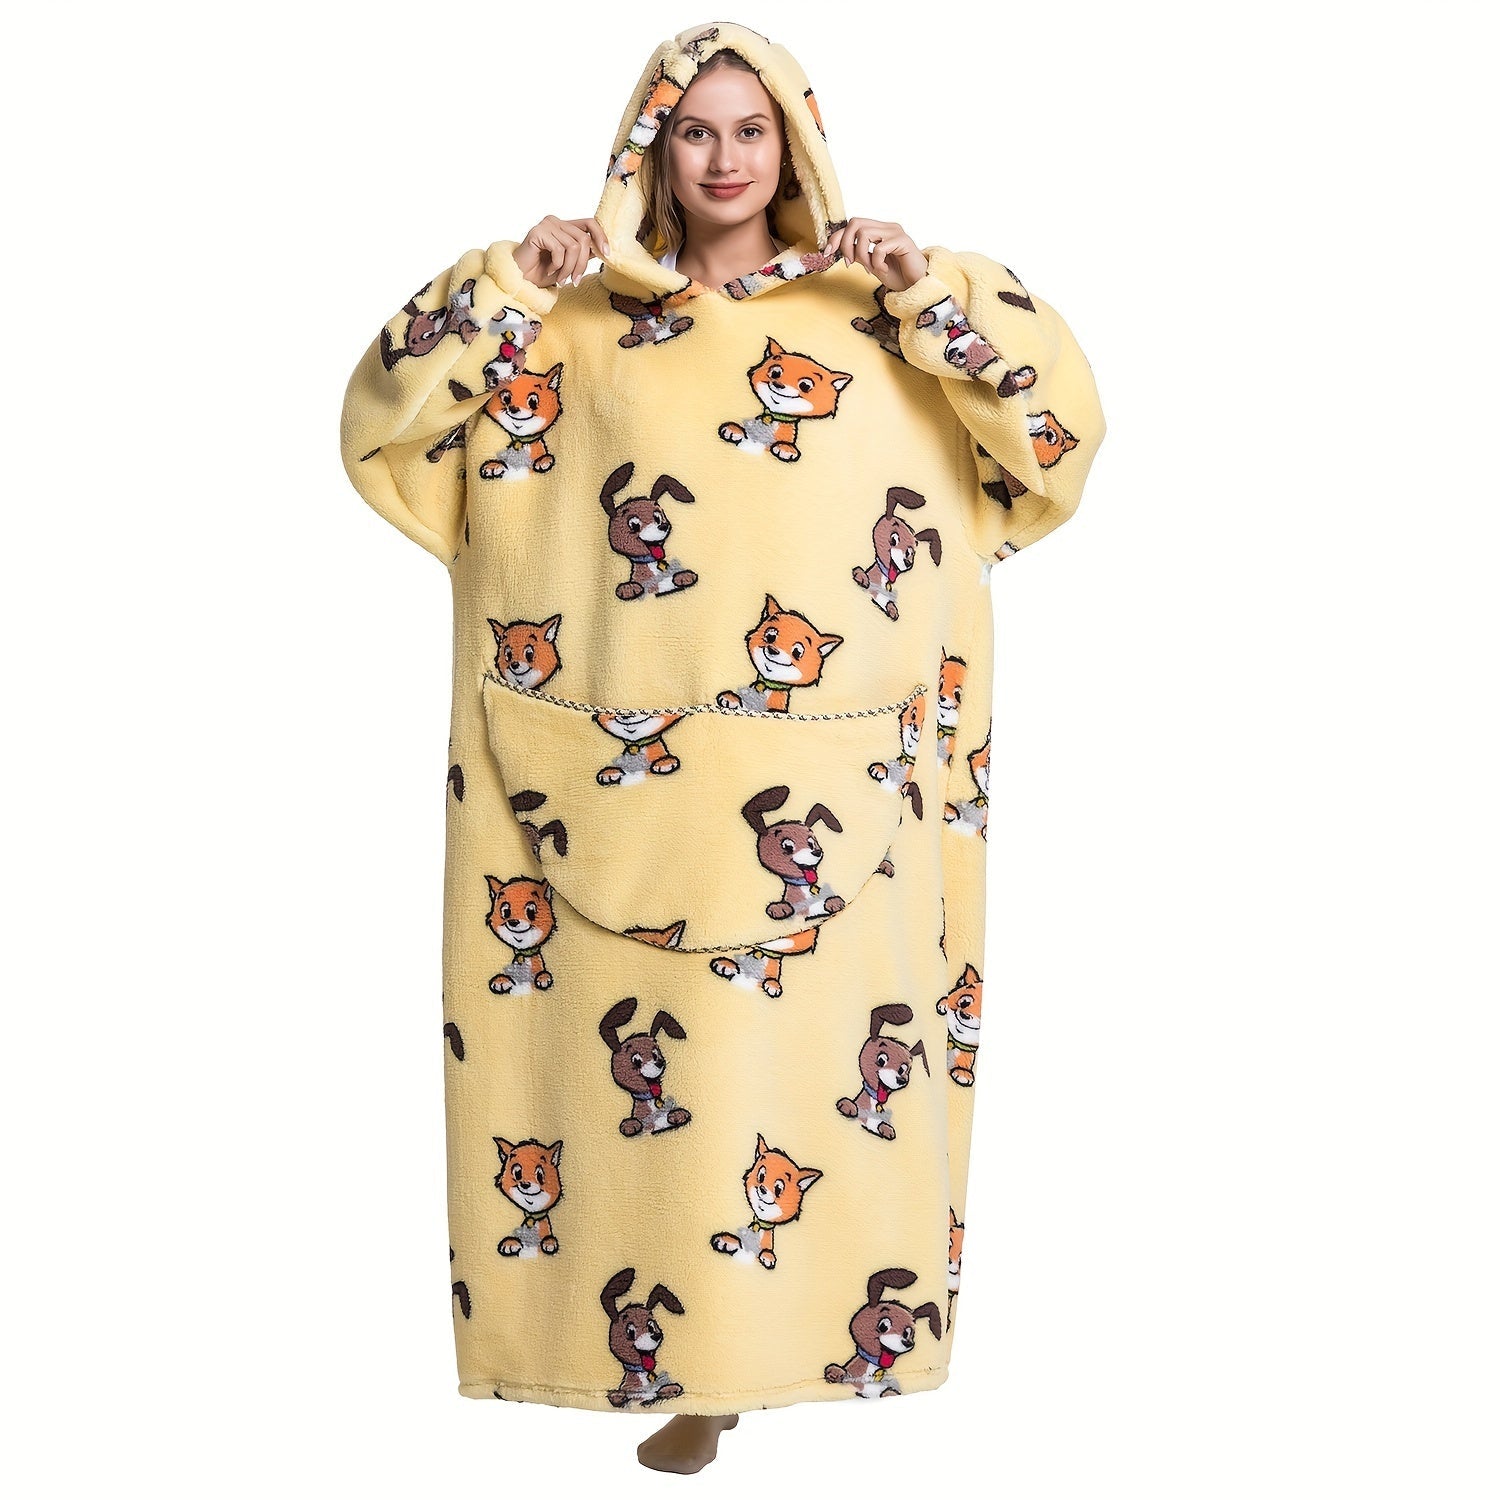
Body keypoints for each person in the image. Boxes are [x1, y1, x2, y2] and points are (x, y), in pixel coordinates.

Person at [338, 18, 1104, 1476]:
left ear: (796, 143)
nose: (726, 157)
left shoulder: (882, 316)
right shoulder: (564, 323)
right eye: (696, 129)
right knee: (629, 1111)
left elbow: (1054, 445)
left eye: (753, 129)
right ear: (652, 148)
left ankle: (775, 1359)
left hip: (843, 781)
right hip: (606, 779)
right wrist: (506, 286)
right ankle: (663, 1371)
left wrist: (930, 292)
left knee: (809, 1083)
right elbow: (382, 433)